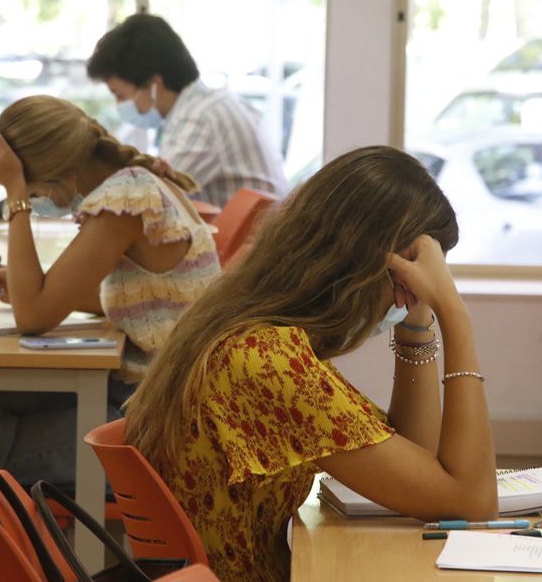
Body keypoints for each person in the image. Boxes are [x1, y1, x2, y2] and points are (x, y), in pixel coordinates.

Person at [0, 95, 222, 582]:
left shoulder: (124, 201)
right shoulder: (133, 184)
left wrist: (15, 196)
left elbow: (33, 317)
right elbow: (138, 296)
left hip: (152, 429)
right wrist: (37, 289)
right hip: (141, 400)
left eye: (33, 187)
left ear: (56, 177)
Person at [125, 146, 497, 582]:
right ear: (367, 263)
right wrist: (455, 318)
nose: (413, 293)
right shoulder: (268, 360)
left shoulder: (251, 327)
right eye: (409, 280)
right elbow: (471, 502)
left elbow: (418, 460)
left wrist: (416, 320)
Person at [86, 13, 288, 208]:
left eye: (120, 95)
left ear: (155, 85)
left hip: (252, 241)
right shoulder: (211, 105)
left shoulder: (200, 119)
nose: (119, 105)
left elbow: (147, 198)